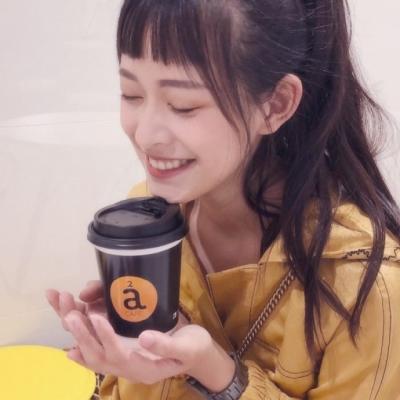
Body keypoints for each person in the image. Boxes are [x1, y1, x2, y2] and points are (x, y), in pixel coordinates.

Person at [46, 0, 400, 399]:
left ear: (276, 104)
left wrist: (216, 372)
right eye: (131, 94)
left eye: (183, 105)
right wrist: (124, 353)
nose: (144, 135)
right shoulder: (150, 221)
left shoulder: (368, 287)